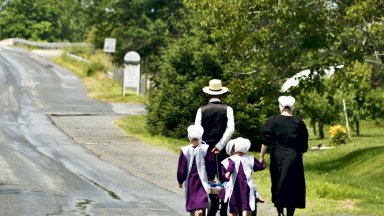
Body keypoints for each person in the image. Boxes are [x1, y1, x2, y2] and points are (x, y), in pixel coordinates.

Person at [259, 96, 309, 216]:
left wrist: (261, 156)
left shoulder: (273, 120)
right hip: (294, 156)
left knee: (278, 182)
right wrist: (299, 156)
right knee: (293, 185)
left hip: (277, 155)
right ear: (292, 107)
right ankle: (290, 214)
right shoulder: (299, 122)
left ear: (280, 107)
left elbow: (266, 141)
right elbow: (303, 144)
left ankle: (280, 212)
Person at [195, 79, 235, 216]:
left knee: (207, 178)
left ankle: (211, 203)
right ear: (221, 95)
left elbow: (197, 131)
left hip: (206, 149)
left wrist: (203, 146)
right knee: (224, 178)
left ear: (208, 94)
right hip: (222, 150)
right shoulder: (228, 109)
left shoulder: (201, 110)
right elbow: (230, 130)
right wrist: (220, 145)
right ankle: (223, 208)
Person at [222, 137, 266, 216]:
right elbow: (260, 166)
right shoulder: (250, 159)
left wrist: (227, 173)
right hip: (246, 187)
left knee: (233, 206)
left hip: (234, 187)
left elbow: (230, 167)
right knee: (247, 204)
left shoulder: (231, 159)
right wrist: (263, 162)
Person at [177, 125, 210, 216]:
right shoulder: (205, 148)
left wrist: (180, 180)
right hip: (202, 177)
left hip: (190, 178)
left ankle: (192, 214)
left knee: (191, 196)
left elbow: (181, 167)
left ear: (189, 136)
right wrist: (211, 177)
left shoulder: (185, 150)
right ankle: (200, 209)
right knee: (202, 194)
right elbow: (210, 163)